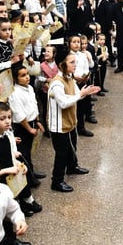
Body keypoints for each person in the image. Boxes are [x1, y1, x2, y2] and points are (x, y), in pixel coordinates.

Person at [46, 48, 99, 192]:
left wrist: (85, 92)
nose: (75, 65)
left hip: (69, 122)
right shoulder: (57, 83)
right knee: (61, 153)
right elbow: (63, 102)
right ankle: (56, 181)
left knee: (72, 146)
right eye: (72, 62)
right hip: (59, 125)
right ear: (62, 64)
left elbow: (76, 93)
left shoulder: (69, 78)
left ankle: (72, 167)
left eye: (75, 62)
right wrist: (81, 94)